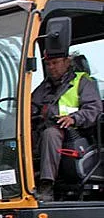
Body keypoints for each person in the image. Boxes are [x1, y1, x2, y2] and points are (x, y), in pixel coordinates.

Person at [31, 51, 103, 201]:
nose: (51, 67)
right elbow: (31, 105)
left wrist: (74, 118)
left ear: (67, 62)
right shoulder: (44, 87)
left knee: (50, 134)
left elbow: (94, 109)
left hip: (76, 133)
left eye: (55, 63)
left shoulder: (82, 82)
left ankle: (46, 185)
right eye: (48, 64)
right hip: (44, 129)